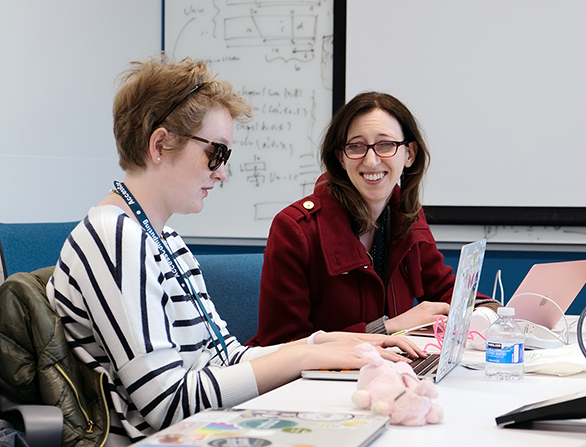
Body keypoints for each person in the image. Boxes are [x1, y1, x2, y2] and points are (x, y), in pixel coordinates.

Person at [46, 56, 424, 445]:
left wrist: (329, 343)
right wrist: (304, 358)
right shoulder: (114, 238)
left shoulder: (165, 239)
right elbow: (168, 405)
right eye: (217, 153)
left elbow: (225, 358)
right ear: (160, 144)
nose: (222, 172)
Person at [248, 91, 498, 347]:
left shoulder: (406, 213)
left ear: (409, 154)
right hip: (316, 382)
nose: (371, 160)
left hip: (386, 371)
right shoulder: (295, 229)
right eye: (355, 146)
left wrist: (488, 311)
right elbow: (282, 346)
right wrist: (387, 329)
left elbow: (443, 288)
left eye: (386, 145)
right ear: (341, 158)